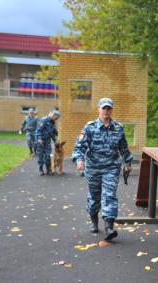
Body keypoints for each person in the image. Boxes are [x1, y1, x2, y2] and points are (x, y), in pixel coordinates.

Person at [72, 97, 133, 241]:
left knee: (109, 195)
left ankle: (109, 227)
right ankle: (94, 221)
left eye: (108, 108)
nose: (106, 111)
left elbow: (123, 147)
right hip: (93, 168)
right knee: (94, 197)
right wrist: (79, 159)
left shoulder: (118, 128)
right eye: (103, 108)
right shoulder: (90, 127)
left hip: (111, 167)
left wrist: (128, 162)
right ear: (98, 109)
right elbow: (79, 146)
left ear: (111, 110)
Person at [36, 109, 60, 176]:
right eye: (56, 117)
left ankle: (48, 169)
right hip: (40, 141)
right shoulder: (44, 120)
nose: (57, 119)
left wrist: (55, 140)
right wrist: (39, 138)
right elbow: (38, 130)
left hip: (47, 141)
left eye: (57, 118)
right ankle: (41, 169)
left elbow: (52, 133)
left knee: (48, 156)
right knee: (40, 156)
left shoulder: (53, 123)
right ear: (53, 115)